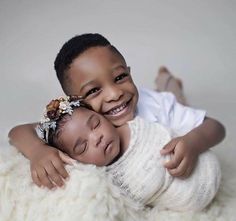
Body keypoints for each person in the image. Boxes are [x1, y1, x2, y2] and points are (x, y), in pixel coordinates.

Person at [8, 33, 225, 190]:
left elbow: (216, 127)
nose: (114, 94)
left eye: (120, 77)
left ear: (129, 72)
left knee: (178, 99)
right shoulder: (82, 123)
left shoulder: (158, 106)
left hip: (165, 104)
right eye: (93, 90)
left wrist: (193, 142)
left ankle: (167, 81)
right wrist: (38, 150)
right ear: (75, 102)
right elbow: (18, 132)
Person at [35, 95, 221, 212]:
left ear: (103, 116)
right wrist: (38, 151)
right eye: (82, 147)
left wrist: (192, 142)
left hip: (206, 162)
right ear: (74, 159)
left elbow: (205, 130)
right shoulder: (104, 181)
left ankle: (170, 85)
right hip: (186, 204)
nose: (96, 138)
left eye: (96, 124)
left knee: (178, 104)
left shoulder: (138, 124)